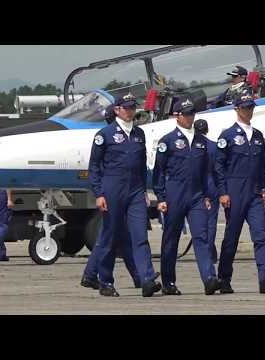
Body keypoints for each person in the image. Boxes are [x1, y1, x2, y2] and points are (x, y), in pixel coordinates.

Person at [88, 93, 161, 297]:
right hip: (112, 189)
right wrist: (99, 193)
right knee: (110, 236)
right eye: (126, 108)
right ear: (117, 110)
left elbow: (141, 165)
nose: (130, 111)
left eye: (132, 107)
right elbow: (94, 167)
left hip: (135, 190)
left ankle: (147, 279)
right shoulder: (105, 134)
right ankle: (106, 281)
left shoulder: (139, 134)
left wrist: (145, 190)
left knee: (140, 235)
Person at [152, 97, 220, 296]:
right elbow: (159, 171)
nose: (190, 117)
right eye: (186, 114)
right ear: (177, 116)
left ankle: (209, 279)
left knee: (202, 237)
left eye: (192, 113)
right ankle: (168, 282)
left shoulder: (201, 142)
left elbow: (206, 172)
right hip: (174, 195)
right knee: (171, 239)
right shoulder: (168, 141)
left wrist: (208, 195)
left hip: (197, 196)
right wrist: (161, 197)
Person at [214, 93, 265, 294]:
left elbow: (264, 166)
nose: (249, 111)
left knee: (260, 237)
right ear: (237, 109)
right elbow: (218, 166)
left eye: (251, 108)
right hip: (234, 191)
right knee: (231, 237)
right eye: (245, 107)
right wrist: (223, 192)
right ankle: (223, 278)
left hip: (255, 193)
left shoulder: (258, 136)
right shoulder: (228, 136)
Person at [194, 119, 219, 263]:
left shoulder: (193, 145)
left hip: (197, 185)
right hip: (212, 185)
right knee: (211, 222)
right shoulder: (214, 147)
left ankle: (204, 250)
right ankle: (209, 251)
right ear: (207, 130)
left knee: (198, 221)